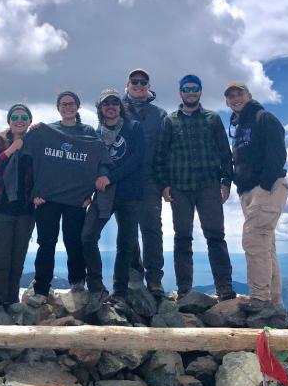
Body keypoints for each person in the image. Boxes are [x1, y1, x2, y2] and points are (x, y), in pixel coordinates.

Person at [24, 91, 111, 307]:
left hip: (76, 199)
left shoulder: (88, 132)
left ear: (78, 107)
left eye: (71, 104)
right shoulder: (46, 131)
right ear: (58, 107)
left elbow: (100, 160)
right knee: (46, 243)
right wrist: (34, 192)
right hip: (47, 199)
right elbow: (27, 160)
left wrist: (89, 194)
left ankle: (77, 282)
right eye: (64, 104)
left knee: (74, 242)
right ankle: (42, 289)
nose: (68, 107)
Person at [154, 75, 236, 300]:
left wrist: (226, 182)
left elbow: (224, 153)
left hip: (209, 186)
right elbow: (160, 156)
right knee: (182, 238)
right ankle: (184, 291)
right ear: (180, 92)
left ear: (200, 91)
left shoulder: (212, 119)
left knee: (216, 236)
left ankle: (225, 288)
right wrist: (164, 185)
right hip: (180, 187)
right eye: (186, 88)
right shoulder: (170, 121)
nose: (191, 92)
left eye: (195, 88)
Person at [225, 81, 288, 314]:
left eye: (239, 94)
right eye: (231, 96)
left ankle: (260, 298)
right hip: (249, 191)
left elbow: (277, 154)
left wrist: (264, 185)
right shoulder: (240, 126)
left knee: (253, 240)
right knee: (265, 244)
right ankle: (274, 301)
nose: (235, 99)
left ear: (249, 95)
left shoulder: (263, 118)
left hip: (266, 188)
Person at [81, 89, 144, 309]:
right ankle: (97, 288)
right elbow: (87, 165)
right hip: (103, 194)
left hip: (129, 194)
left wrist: (110, 177)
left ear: (121, 106)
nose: (111, 106)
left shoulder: (133, 128)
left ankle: (120, 292)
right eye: (106, 103)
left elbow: (137, 160)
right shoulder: (94, 134)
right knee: (88, 237)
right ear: (100, 108)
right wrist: (85, 194)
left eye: (115, 102)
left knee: (126, 244)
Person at [0, 104, 35, 311]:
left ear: (30, 121)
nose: (19, 120)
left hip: (25, 213)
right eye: (15, 116)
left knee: (17, 262)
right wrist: (11, 150)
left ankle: (12, 302)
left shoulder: (34, 143)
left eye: (24, 116)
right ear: (9, 120)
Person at [121, 68, 167, 297]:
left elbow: (167, 149)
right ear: (127, 85)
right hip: (124, 180)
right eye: (134, 81)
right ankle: (134, 275)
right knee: (128, 229)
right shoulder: (115, 108)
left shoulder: (160, 115)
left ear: (149, 86)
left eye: (143, 82)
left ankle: (155, 279)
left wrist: (165, 181)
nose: (139, 85)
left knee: (151, 228)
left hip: (150, 179)